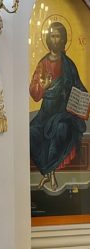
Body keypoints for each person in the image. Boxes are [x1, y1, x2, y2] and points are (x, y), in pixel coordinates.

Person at [29, 22, 88, 191]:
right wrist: (44, 87)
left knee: (61, 129)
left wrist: (84, 100)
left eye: (58, 36)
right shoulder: (42, 64)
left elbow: (79, 87)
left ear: (63, 39)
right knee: (31, 133)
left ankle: (50, 174)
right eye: (52, 36)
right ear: (48, 39)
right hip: (45, 113)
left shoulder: (69, 64)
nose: (55, 39)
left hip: (64, 113)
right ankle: (49, 173)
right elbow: (34, 93)